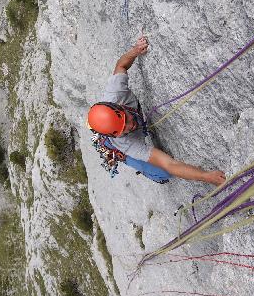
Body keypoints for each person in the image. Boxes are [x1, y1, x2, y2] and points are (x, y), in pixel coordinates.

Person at [87, 36, 226, 186]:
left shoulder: (115, 94)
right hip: (118, 147)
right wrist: (206, 176)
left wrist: (135, 51)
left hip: (110, 126)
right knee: (163, 173)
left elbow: (121, 65)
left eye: (126, 120)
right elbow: (169, 164)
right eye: (123, 129)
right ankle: (151, 173)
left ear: (118, 106)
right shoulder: (125, 142)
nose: (130, 126)